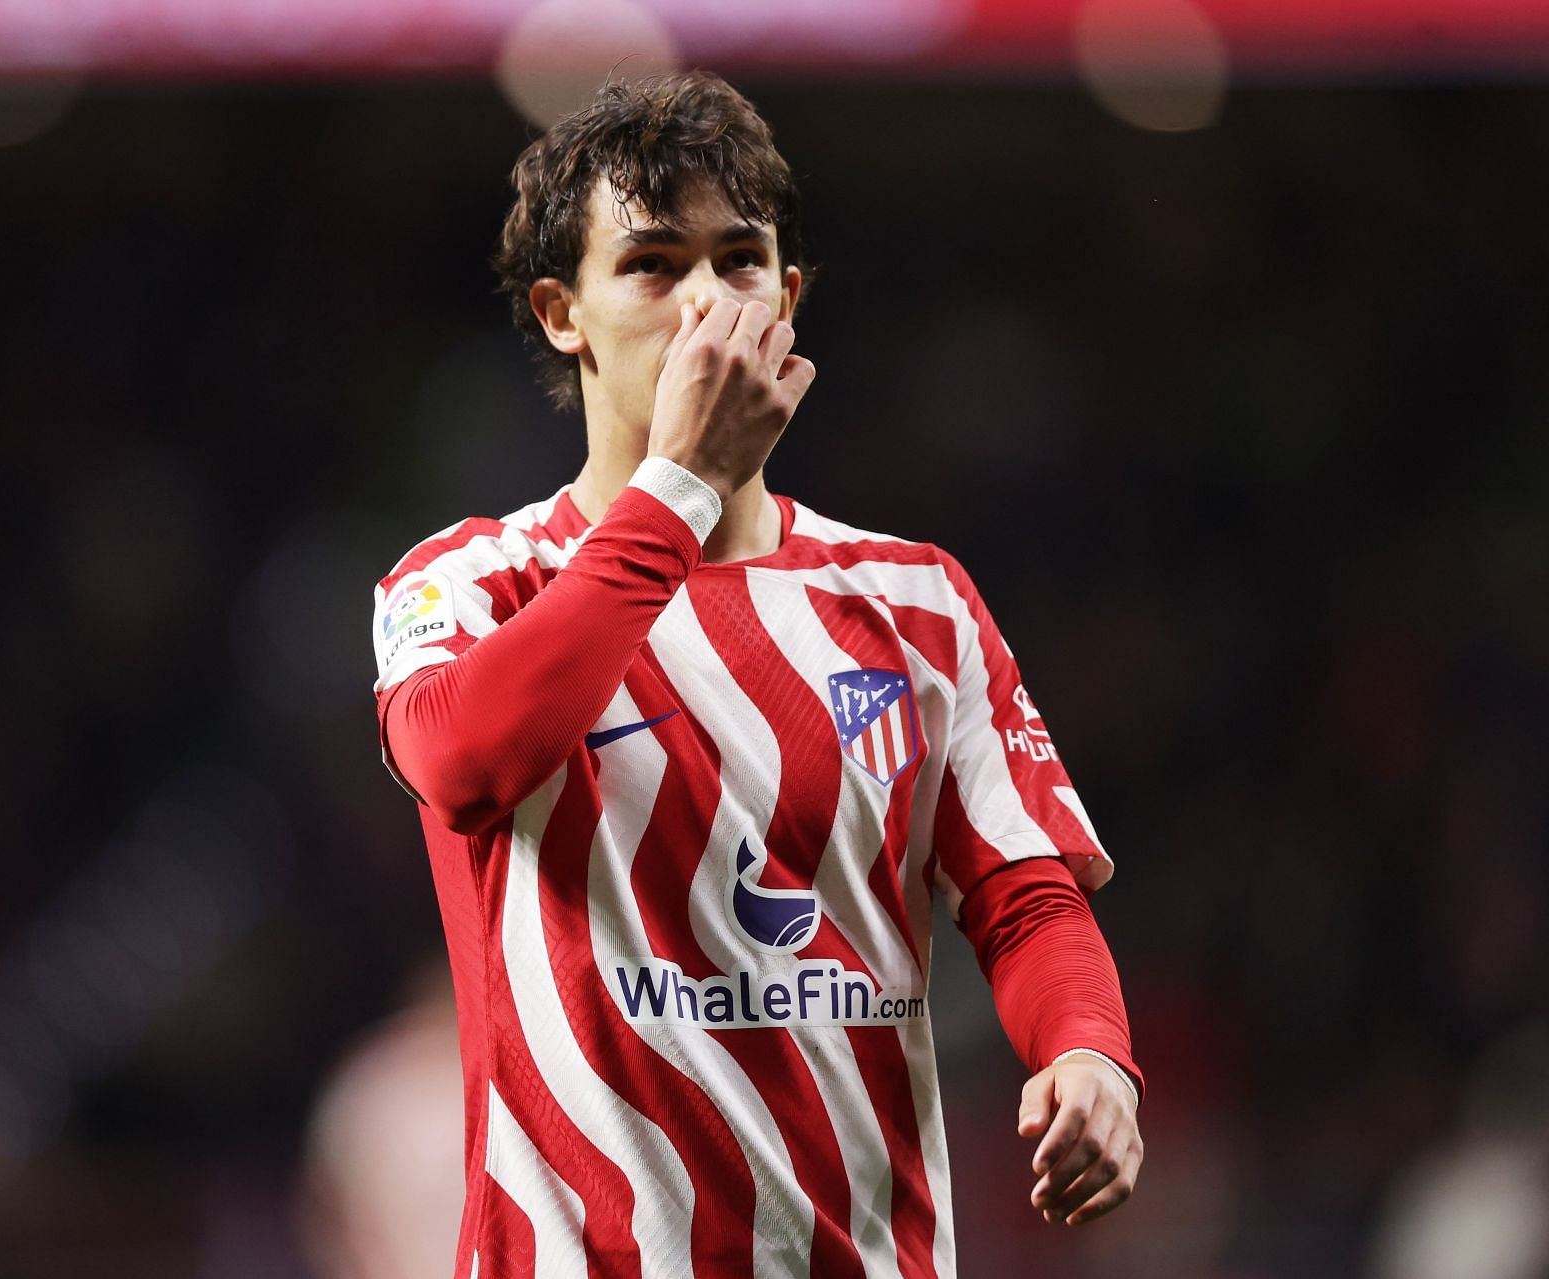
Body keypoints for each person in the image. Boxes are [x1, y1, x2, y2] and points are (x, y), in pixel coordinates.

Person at [371, 69, 1144, 1278]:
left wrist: (1090, 1050)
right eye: (652, 264)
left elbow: (1026, 895)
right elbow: (467, 763)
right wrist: (677, 487)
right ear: (561, 310)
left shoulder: (914, 601)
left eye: (740, 261)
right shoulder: (473, 582)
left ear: (788, 297)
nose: (705, 304)